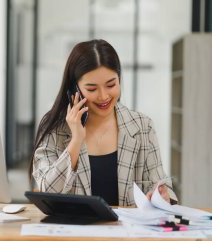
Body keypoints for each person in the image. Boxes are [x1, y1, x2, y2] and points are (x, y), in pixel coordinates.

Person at [30, 39, 177, 206]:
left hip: (126, 231)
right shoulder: (54, 129)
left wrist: (161, 196)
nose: (103, 96)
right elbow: (48, 193)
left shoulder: (143, 127)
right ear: (74, 89)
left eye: (111, 85)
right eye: (92, 89)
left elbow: (161, 186)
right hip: (75, 231)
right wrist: (76, 140)